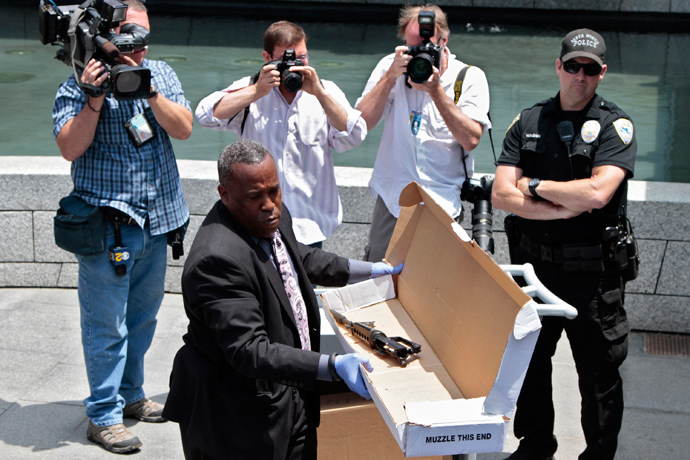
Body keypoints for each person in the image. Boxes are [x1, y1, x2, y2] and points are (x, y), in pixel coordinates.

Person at [162, 139, 400, 460]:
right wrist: (331, 366)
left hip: (290, 395)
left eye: (274, 190)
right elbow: (250, 350)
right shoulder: (217, 260)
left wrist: (370, 270)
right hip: (238, 419)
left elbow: (298, 257)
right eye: (255, 196)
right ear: (225, 195)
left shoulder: (270, 215)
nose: (269, 204)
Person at [51, 0, 193, 454]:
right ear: (108, 34)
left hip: (159, 220)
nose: (139, 47)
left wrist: (149, 90)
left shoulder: (162, 73)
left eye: (145, 38)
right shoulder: (79, 80)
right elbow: (70, 148)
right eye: (131, 36)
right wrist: (94, 100)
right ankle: (104, 415)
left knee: (143, 319)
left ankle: (131, 395)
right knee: (106, 325)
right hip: (109, 224)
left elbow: (185, 128)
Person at [492, 29, 637, 460]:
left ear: (602, 73)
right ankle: (535, 447)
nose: (580, 76)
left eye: (590, 69)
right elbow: (502, 195)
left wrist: (533, 186)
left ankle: (598, 455)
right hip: (536, 271)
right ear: (558, 66)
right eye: (572, 66)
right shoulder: (529, 120)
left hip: (593, 277)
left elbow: (597, 195)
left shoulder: (616, 125)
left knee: (599, 377)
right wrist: (559, 205)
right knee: (530, 367)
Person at [195, 20, 367, 247]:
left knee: (305, 284)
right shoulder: (251, 88)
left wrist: (320, 94)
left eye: (302, 58)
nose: (295, 67)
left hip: (309, 226)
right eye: (286, 61)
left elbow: (355, 135)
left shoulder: (326, 90)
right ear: (267, 58)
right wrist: (257, 91)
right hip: (256, 226)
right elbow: (205, 116)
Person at [356, 3, 491, 263]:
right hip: (393, 196)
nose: (418, 55)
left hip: (442, 202)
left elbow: (471, 139)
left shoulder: (469, 77)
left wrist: (436, 91)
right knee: (378, 279)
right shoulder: (391, 67)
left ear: (444, 41)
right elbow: (361, 122)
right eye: (412, 46)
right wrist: (390, 77)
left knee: (436, 286)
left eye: (426, 47)